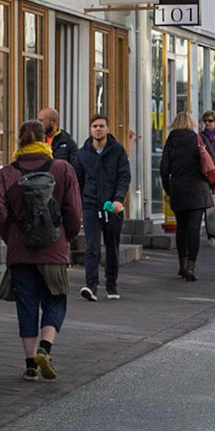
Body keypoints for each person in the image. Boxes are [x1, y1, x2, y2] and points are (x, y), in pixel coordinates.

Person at [0, 119, 81, 381]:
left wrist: (11, 239)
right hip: (53, 249)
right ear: (46, 140)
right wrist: (67, 237)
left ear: (19, 140)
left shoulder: (7, 173)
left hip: (20, 250)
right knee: (56, 300)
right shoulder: (62, 169)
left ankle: (31, 365)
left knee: (27, 304)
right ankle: (46, 347)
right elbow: (74, 210)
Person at [73, 114, 131, 301]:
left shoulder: (118, 151)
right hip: (90, 205)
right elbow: (77, 181)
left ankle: (111, 284)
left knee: (112, 246)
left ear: (108, 129)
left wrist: (118, 200)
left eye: (102, 126)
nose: (98, 129)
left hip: (113, 206)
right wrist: (79, 203)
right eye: (95, 126)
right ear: (90, 130)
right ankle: (91, 286)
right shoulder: (82, 154)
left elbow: (124, 176)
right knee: (92, 246)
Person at [159, 111, 212, 282]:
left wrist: (169, 189)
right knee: (194, 230)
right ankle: (191, 265)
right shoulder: (199, 139)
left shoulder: (171, 142)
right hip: (198, 190)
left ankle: (182, 264)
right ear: (191, 123)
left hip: (179, 190)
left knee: (181, 229)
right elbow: (213, 163)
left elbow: (164, 169)